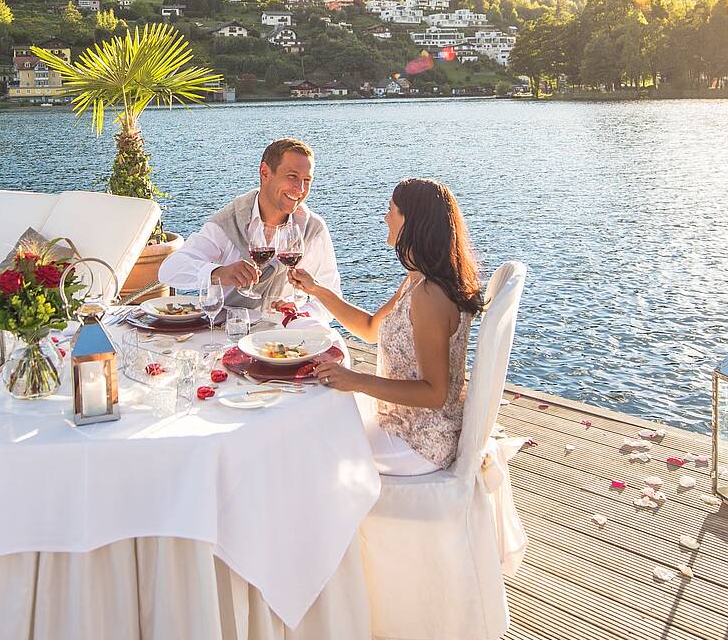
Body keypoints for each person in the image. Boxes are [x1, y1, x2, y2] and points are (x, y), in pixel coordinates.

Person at [288, 178, 484, 476]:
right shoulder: (416, 280)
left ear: (411, 220)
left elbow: (435, 393)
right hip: (398, 419)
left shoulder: (430, 295)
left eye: (391, 209)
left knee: (310, 444)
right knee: (315, 419)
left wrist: (356, 380)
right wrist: (316, 290)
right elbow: (370, 328)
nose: (385, 217)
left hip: (419, 442)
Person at [157, 137, 341, 321]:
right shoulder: (229, 222)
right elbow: (169, 270)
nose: (300, 189)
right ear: (265, 172)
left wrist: (300, 313)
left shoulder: (312, 229)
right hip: (229, 330)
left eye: (307, 180)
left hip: (286, 331)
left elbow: (330, 299)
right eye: (292, 176)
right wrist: (217, 273)